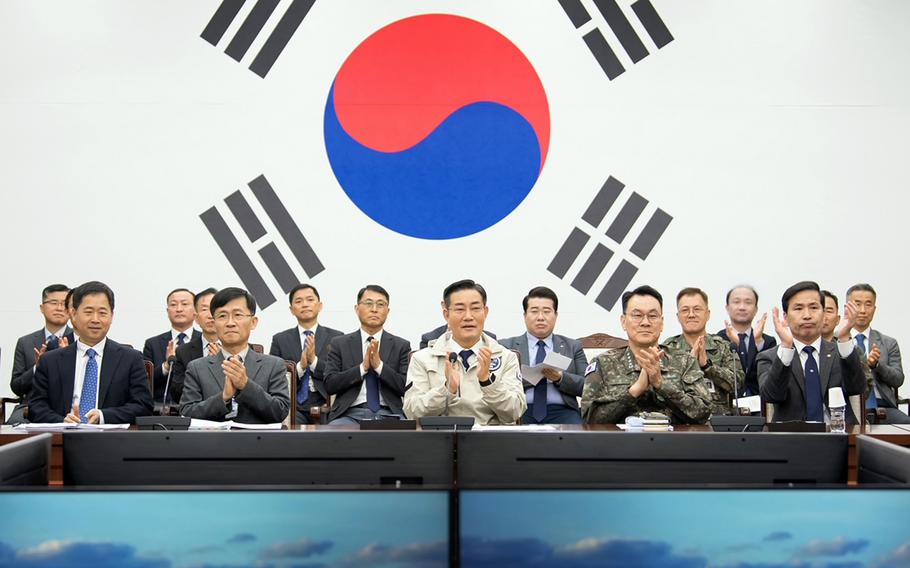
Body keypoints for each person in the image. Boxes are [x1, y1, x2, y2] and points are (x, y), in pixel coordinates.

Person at [582, 285, 711, 424]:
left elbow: (703, 413)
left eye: (652, 316)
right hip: (620, 443)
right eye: (637, 315)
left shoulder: (684, 361)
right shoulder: (603, 363)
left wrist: (661, 385)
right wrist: (635, 391)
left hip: (674, 442)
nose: (645, 322)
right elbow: (589, 419)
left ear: (662, 323)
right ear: (623, 322)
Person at [29, 281, 153, 424]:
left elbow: (143, 406)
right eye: (88, 312)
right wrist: (61, 421)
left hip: (111, 440)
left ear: (111, 316)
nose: (95, 319)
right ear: (74, 314)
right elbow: (36, 407)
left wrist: (103, 416)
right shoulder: (50, 360)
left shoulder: (130, 358)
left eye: (102, 313)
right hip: (63, 438)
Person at [405, 280, 525, 425]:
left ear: (485, 312)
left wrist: (488, 382)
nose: (468, 316)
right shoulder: (422, 359)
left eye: (475, 308)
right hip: (439, 440)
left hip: (490, 441)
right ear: (446, 314)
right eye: (460, 309)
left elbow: (514, 412)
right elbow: (412, 412)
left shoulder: (506, 358)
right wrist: (446, 390)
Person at [758, 281, 866, 425]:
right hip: (791, 440)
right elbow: (771, 396)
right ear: (785, 316)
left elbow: (856, 388)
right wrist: (786, 347)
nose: (807, 315)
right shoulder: (769, 357)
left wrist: (845, 337)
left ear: (823, 314)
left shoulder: (841, 351)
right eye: (798, 308)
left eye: (814, 307)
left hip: (839, 436)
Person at [180, 287, 290, 424]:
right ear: (214, 324)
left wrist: (246, 385)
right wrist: (223, 398)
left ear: (253, 322)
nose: (230, 323)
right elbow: (187, 414)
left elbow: (280, 412)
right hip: (213, 444)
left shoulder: (274, 365)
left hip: (259, 443)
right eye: (222, 316)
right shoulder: (196, 368)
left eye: (238, 315)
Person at [323, 285, 411, 423]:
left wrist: (379, 366)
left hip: (390, 414)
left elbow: (405, 387)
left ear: (388, 311)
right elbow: (329, 385)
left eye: (380, 304)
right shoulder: (339, 344)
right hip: (349, 414)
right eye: (369, 303)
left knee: (410, 437)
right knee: (334, 435)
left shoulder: (401, 346)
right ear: (357, 309)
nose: (374, 309)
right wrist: (362, 368)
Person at [500, 286, 587, 424]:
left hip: (563, 412)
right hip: (520, 411)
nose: (540, 317)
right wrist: (532, 377)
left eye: (547, 311)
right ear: (525, 316)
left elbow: (587, 386)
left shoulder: (572, 346)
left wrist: (560, 378)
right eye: (534, 311)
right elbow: (498, 385)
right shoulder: (507, 346)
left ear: (556, 315)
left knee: (578, 437)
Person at [269, 284, 343, 424]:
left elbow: (340, 376)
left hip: (327, 404)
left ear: (320, 306)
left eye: (310, 300)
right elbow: (274, 378)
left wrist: (314, 361)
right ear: (291, 310)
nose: (305, 305)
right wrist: (300, 367)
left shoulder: (337, 338)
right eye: (298, 301)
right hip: (294, 405)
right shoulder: (280, 339)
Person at [663, 287, 744, 416]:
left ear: (708, 314)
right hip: (680, 423)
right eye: (685, 310)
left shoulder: (722, 346)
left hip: (719, 423)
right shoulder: (668, 349)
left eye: (697, 309)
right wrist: (689, 366)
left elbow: (738, 384)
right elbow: (662, 390)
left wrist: (708, 366)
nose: (691, 314)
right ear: (678, 317)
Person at [7, 284, 75, 424]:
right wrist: (37, 367)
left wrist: (68, 358)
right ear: (42, 308)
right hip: (31, 406)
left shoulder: (79, 340)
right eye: (54, 303)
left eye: (64, 304)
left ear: (72, 309)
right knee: (13, 429)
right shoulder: (25, 342)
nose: (59, 308)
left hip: (68, 405)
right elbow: (17, 387)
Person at [847, 283, 910, 424]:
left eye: (868, 304)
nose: (863, 310)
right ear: (848, 308)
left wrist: (877, 365)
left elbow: (898, 379)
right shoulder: (837, 341)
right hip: (848, 409)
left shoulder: (888, 343)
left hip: (884, 407)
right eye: (857, 304)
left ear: (874, 309)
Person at [142, 288, 201, 405]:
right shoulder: (152, 344)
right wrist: (166, 366)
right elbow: (144, 382)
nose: (179, 309)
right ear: (167, 310)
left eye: (184, 304)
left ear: (195, 310)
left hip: (197, 407)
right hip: (160, 409)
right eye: (173, 305)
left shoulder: (203, 341)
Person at [716, 286, 777, 396]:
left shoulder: (768, 342)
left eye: (748, 302)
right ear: (727, 308)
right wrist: (738, 346)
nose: (742, 307)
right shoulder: (717, 340)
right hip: (729, 405)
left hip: (760, 405)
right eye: (736, 302)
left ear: (756, 309)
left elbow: (770, 377)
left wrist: (757, 342)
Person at [168, 288, 219, 408]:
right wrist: (206, 368)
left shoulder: (238, 348)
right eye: (205, 309)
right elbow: (177, 394)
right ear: (196, 317)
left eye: (215, 308)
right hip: (196, 415)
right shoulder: (183, 351)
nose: (211, 314)